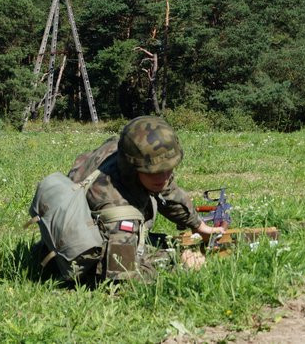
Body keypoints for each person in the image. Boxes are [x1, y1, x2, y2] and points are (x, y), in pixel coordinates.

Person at [67, 116, 224, 281]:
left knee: (170, 244)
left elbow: (168, 192)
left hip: (91, 217)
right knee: (171, 254)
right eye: (155, 172)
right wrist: (181, 269)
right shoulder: (120, 212)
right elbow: (122, 279)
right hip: (88, 245)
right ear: (132, 167)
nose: (164, 177)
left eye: (169, 168)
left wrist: (198, 225)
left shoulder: (125, 152)